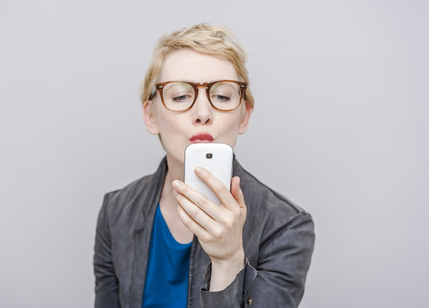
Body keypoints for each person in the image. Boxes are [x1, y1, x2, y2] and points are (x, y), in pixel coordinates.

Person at [94, 24, 315, 308]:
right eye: (181, 96)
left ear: (244, 116)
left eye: (222, 96)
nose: (202, 113)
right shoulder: (116, 211)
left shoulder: (286, 227)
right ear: (151, 116)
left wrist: (228, 261)